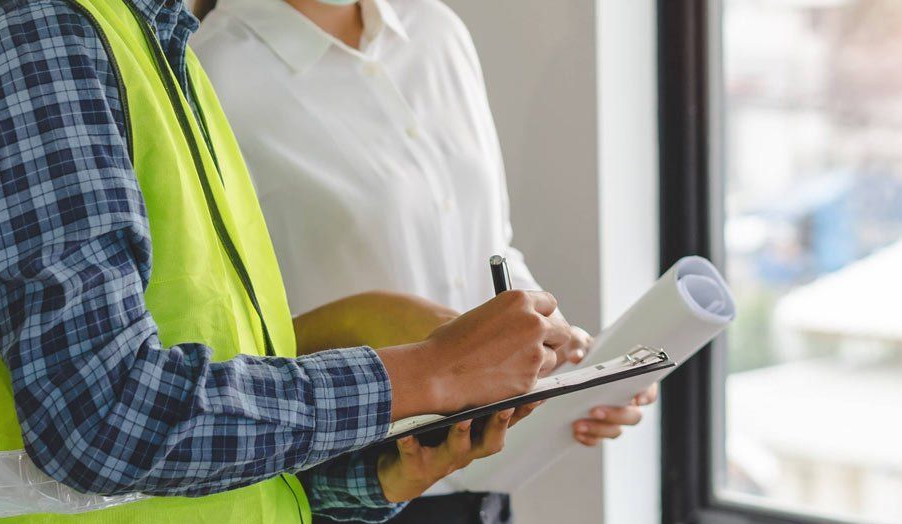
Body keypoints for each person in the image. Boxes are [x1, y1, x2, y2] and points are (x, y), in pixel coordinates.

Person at [0, 0, 575, 522]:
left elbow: (209, 383)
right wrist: (426, 373)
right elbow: (101, 416)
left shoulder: (161, 51)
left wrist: (374, 476)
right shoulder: (34, 42)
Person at [190, 0, 660, 521]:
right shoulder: (213, 69)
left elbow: (492, 244)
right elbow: (226, 328)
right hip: (355, 486)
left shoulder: (436, 30)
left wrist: (567, 359)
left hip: (485, 473)